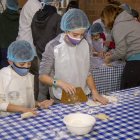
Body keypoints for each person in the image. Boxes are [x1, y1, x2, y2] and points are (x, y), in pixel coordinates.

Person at [39, 9, 109, 105]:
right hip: (60, 98)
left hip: (81, 95)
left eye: (82, 34)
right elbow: (43, 76)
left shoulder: (86, 45)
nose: (79, 38)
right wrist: (60, 83)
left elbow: (88, 73)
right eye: (75, 35)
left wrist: (95, 92)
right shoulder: (53, 46)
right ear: (66, 30)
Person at [0, 40, 54, 117]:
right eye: (22, 64)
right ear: (10, 62)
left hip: (26, 117)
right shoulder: (3, 75)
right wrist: (22, 109)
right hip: (8, 119)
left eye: (29, 63)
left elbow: (28, 98)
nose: (26, 67)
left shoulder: (29, 76)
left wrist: (38, 104)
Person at [102, 4, 140, 90]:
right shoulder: (133, 21)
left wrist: (109, 59)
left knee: (126, 93)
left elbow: (121, 51)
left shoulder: (118, 26)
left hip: (136, 62)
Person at [31, 0, 62, 102]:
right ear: (54, 2)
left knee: (42, 89)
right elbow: (60, 40)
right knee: (56, 87)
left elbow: (34, 37)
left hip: (40, 54)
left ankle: (41, 113)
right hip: (54, 57)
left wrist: (39, 49)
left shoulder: (35, 16)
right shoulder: (57, 18)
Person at [16, 0, 43, 100]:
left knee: (26, 80)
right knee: (33, 80)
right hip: (29, 48)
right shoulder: (35, 5)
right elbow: (38, 27)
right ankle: (32, 104)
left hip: (24, 45)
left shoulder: (30, 3)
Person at [0, 0, 19, 68]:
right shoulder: (20, 18)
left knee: (4, 73)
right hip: (17, 49)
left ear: (6, 5)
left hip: (4, 50)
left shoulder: (1, 17)